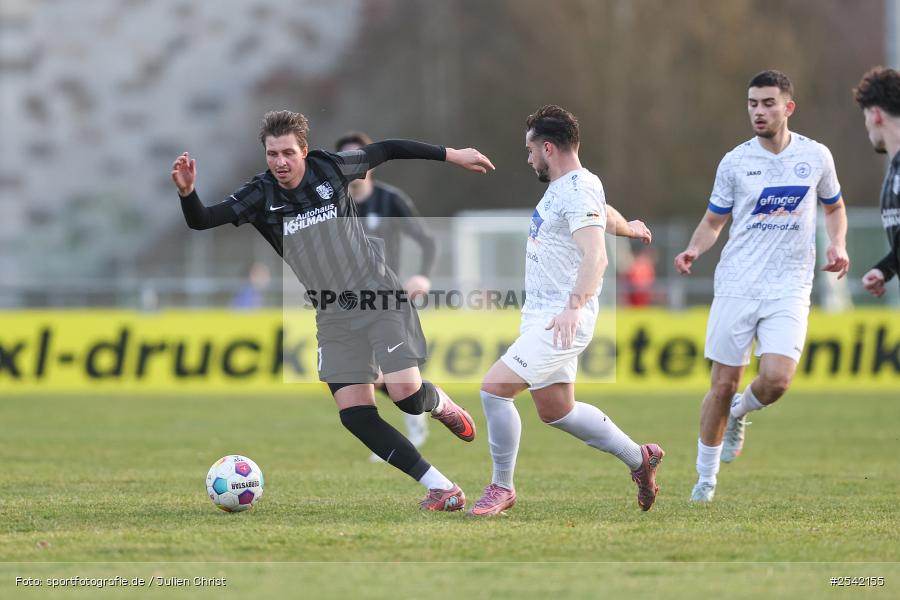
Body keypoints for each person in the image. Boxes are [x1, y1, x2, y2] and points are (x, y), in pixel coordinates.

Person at [171, 110, 494, 511]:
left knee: (406, 397)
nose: (280, 162)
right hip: (332, 313)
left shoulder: (331, 167)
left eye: (288, 152)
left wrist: (452, 154)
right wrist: (188, 193)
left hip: (379, 297)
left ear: (304, 150)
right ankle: (441, 487)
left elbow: (389, 149)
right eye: (272, 154)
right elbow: (203, 220)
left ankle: (440, 404)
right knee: (355, 414)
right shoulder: (260, 195)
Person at [467, 105, 663, 517]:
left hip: (562, 319)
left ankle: (501, 487)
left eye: (530, 150)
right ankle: (639, 458)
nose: (528, 158)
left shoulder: (576, 188)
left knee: (493, 389)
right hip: (545, 317)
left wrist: (573, 308)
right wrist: (629, 227)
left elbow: (596, 257)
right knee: (557, 410)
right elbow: (600, 215)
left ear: (549, 147)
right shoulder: (574, 187)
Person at [674, 71, 850, 503]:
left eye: (768, 103)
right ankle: (706, 481)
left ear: (787, 108)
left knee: (776, 380)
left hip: (790, 285)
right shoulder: (735, 162)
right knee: (722, 384)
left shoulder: (816, 157)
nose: (758, 111)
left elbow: (835, 207)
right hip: (737, 283)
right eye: (752, 103)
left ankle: (740, 413)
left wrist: (839, 243)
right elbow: (715, 220)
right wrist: (694, 250)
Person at [335, 131, 437, 454]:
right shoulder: (330, 205)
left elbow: (427, 241)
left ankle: (416, 419)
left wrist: (422, 276)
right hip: (347, 303)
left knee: (384, 373)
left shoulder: (390, 200)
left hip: (387, 300)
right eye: (345, 158)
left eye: (358, 157)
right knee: (368, 376)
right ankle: (414, 417)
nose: (352, 165)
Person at [854, 66, 900, 298]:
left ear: (876, 115)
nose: (866, 125)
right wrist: (886, 268)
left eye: (865, 116)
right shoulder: (894, 170)